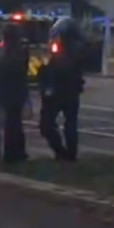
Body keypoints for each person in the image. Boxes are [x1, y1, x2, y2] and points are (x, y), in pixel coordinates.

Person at [38, 17, 85, 161]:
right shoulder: (77, 49)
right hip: (71, 91)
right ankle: (70, 154)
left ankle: (63, 152)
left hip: (57, 91)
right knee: (70, 124)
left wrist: (47, 85)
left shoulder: (62, 51)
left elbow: (52, 70)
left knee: (47, 124)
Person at [0, 23, 30, 163]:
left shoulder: (10, 52)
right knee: (15, 122)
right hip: (17, 91)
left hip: (8, 91)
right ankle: (18, 151)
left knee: (11, 124)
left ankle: (11, 153)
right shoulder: (20, 50)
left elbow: (1, 69)